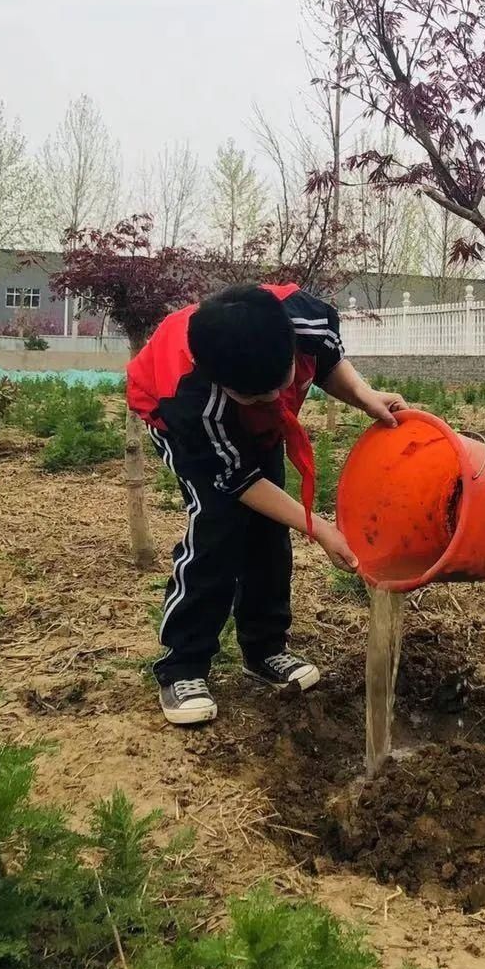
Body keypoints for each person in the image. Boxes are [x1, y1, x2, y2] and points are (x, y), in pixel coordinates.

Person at [127, 281, 405, 726]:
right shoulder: (191, 398)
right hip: (184, 427)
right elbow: (238, 480)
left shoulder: (305, 319)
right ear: (222, 381)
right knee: (217, 530)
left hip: (248, 424)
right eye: (255, 397)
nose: (274, 400)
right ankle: (183, 665)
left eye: (281, 385)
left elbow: (328, 361)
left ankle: (264, 649)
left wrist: (365, 396)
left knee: (269, 533)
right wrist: (318, 527)